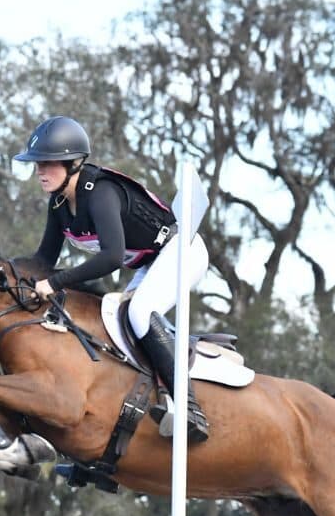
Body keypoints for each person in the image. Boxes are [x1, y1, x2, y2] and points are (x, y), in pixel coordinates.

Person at [14, 115, 211, 442]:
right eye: (38, 163)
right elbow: (43, 261)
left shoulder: (101, 193)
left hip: (183, 250)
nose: (39, 171)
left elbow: (111, 257)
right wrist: (8, 273)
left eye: (47, 163)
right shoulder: (59, 203)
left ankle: (191, 410)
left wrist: (56, 283)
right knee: (115, 321)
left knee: (139, 313)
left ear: (73, 163)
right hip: (153, 262)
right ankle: (148, 399)